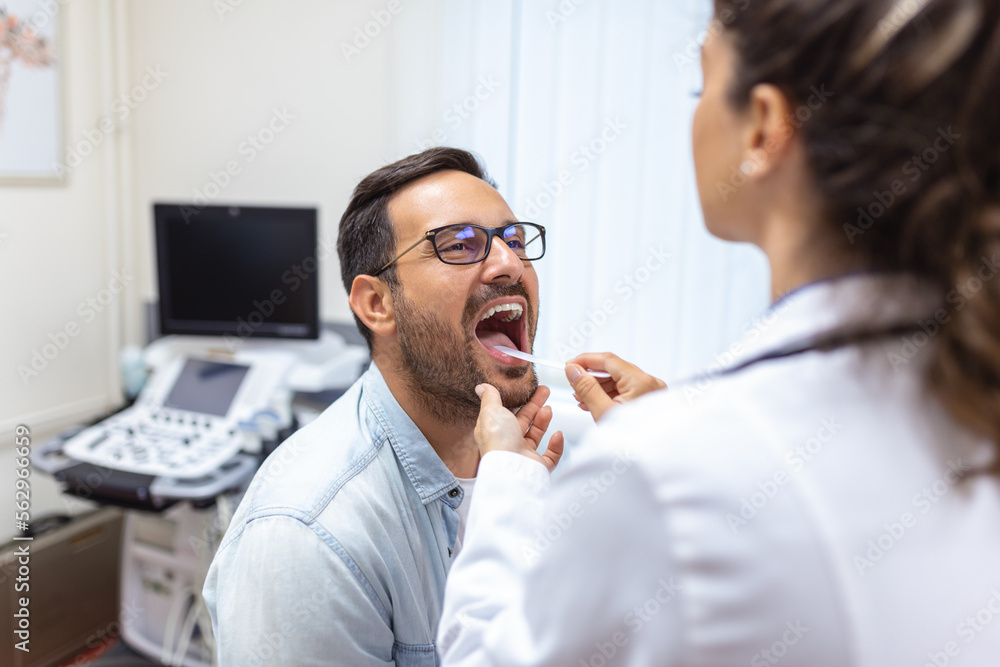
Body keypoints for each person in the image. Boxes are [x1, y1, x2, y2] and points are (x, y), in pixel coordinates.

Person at [438, 0, 1000, 665]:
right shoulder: (963, 383)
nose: (507, 262)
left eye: (701, 86)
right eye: (461, 244)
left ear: (762, 127)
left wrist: (506, 476)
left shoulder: (669, 471)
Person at [203, 147, 561, 665]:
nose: (509, 263)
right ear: (377, 304)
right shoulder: (309, 535)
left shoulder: (538, 457)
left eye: (515, 240)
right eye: (459, 244)